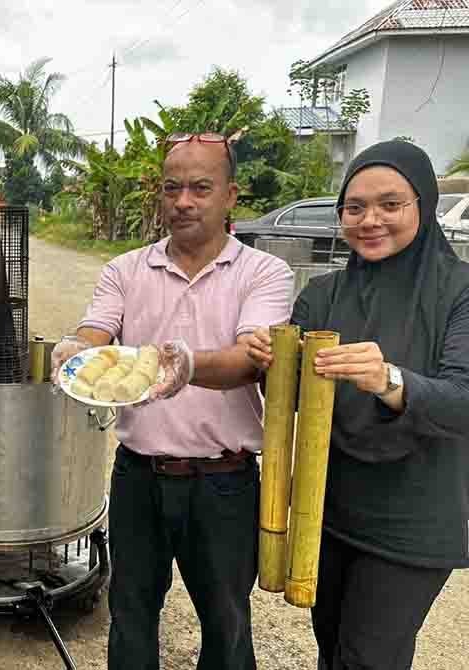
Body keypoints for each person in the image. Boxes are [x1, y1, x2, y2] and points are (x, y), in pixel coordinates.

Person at [53, 132, 294, 670]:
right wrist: (76, 349)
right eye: (172, 188)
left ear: (230, 196)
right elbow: (95, 332)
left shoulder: (264, 273)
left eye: (200, 188)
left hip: (224, 481)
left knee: (226, 622)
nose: (183, 201)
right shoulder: (126, 269)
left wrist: (184, 365)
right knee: (132, 613)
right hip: (139, 476)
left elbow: (249, 358)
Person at [246, 140, 469, 669]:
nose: (370, 219)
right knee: (333, 648)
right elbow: (291, 403)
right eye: (355, 206)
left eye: (390, 205)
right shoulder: (322, 295)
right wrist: (269, 367)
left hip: (412, 520)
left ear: (424, 205)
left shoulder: (460, 290)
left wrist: (388, 379)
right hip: (329, 513)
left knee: (369, 660)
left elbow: (463, 401)